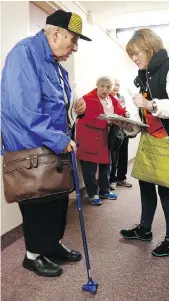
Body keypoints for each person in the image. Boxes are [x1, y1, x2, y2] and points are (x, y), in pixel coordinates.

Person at [1, 10, 90, 277]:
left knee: (57, 199)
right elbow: (25, 110)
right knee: (36, 202)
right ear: (55, 34)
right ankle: (33, 255)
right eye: (73, 41)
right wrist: (59, 139)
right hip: (29, 145)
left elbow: (56, 109)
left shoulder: (54, 64)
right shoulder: (24, 54)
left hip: (52, 145)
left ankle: (51, 246)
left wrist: (76, 112)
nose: (74, 48)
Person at [119, 28, 169, 257]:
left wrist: (150, 105)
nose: (134, 58)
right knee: (146, 184)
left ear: (149, 47)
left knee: (167, 192)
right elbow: (147, 112)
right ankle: (144, 229)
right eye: (131, 54)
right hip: (151, 137)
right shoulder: (147, 73)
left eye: (136, 52)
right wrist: (130, 124)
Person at [76, 77, 126, 206]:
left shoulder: (112, 99)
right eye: (102, 86)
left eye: (108, 87)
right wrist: (107, 122)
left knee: (106, 166)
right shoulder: (87, 98)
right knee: (90, 169)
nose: (105, 89)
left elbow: (119, 110)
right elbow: (86, 118)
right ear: (97, 86)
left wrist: (124, 114)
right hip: (89, 138)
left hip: (105, 138)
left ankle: (105, 190)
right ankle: (93, 194)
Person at [109, 79, 132, 190]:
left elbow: (124, 110)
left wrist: (127, 113)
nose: (116, 87)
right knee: (114, 156)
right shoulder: (107, 98)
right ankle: (112, 179)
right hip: (114, 130)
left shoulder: (121, 97)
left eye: (118, 85)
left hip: (124, 129)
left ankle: (121, 177)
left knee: (124, 154)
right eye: (114, 85)